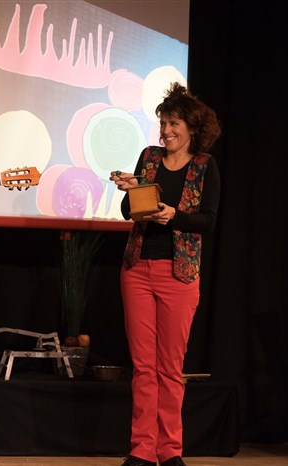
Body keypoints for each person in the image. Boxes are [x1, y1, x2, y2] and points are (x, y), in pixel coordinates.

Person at [109, 83, 221, 466]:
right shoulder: (149, 157)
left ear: (192, 128)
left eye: (174, 123)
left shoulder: (204, 166)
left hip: (179, 275)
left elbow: (208, 221)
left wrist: (175, 216)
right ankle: (141, 450)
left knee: (170, 369)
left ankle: (170, 450)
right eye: (163, 123)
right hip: (138, 270)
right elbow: (128, 212)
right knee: (143, 367)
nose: (166, 131)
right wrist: (133, 189)